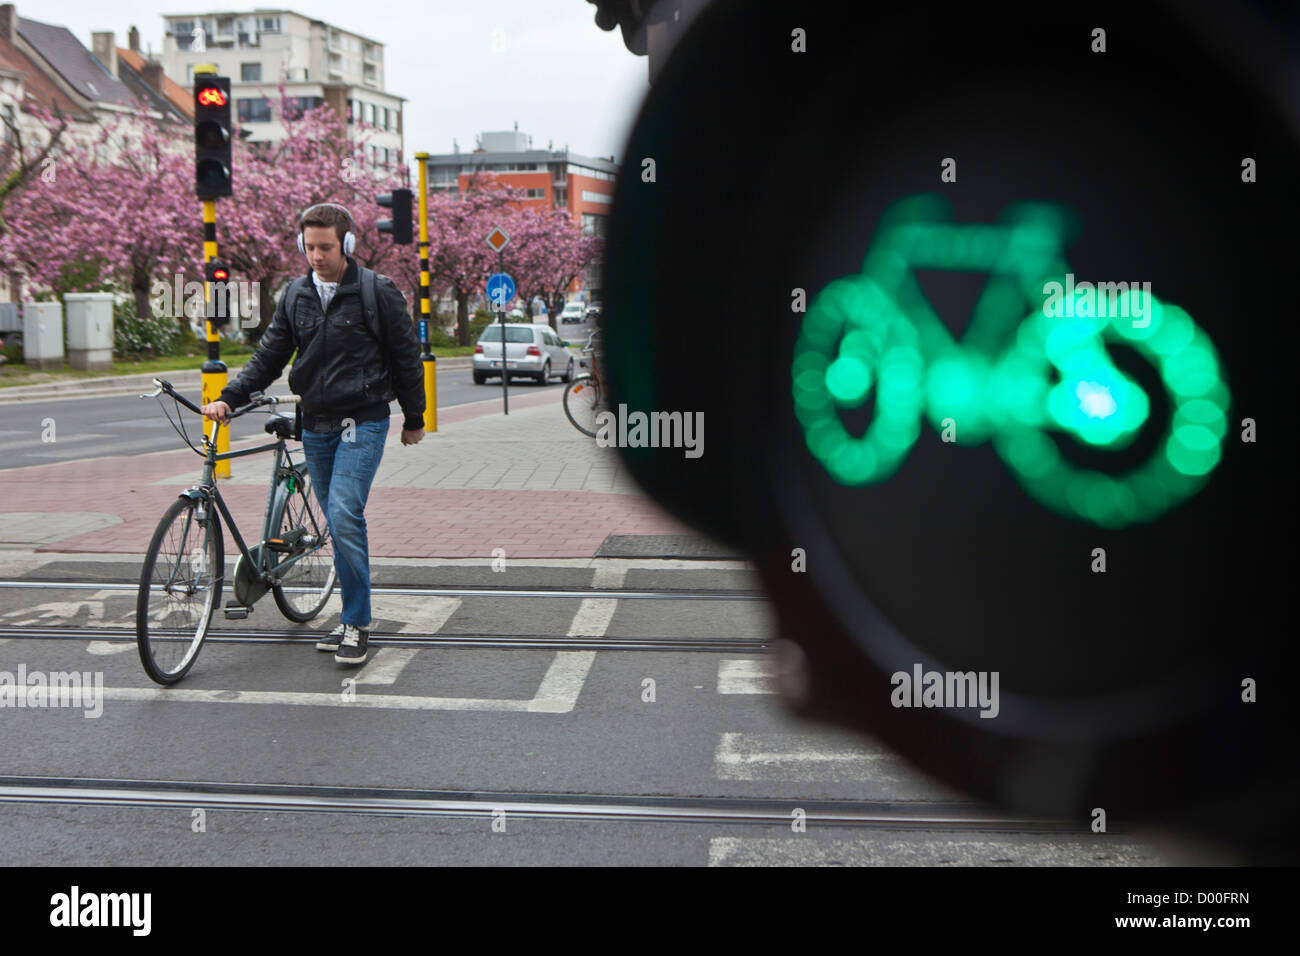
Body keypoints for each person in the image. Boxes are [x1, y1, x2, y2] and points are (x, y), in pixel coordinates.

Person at [200, 203, 425, 665]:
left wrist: (414, 417)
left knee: (344, 514)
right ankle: (345, 619)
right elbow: (270, 356)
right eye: (309, 246)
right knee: (337, 525)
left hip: (362, 421)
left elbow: (406, 356)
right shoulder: (296, 294)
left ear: (346, 244)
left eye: (325, 246)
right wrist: (230, 396)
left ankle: (357, 622)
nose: (316, 255)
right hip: (316, 424)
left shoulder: (376, 291)